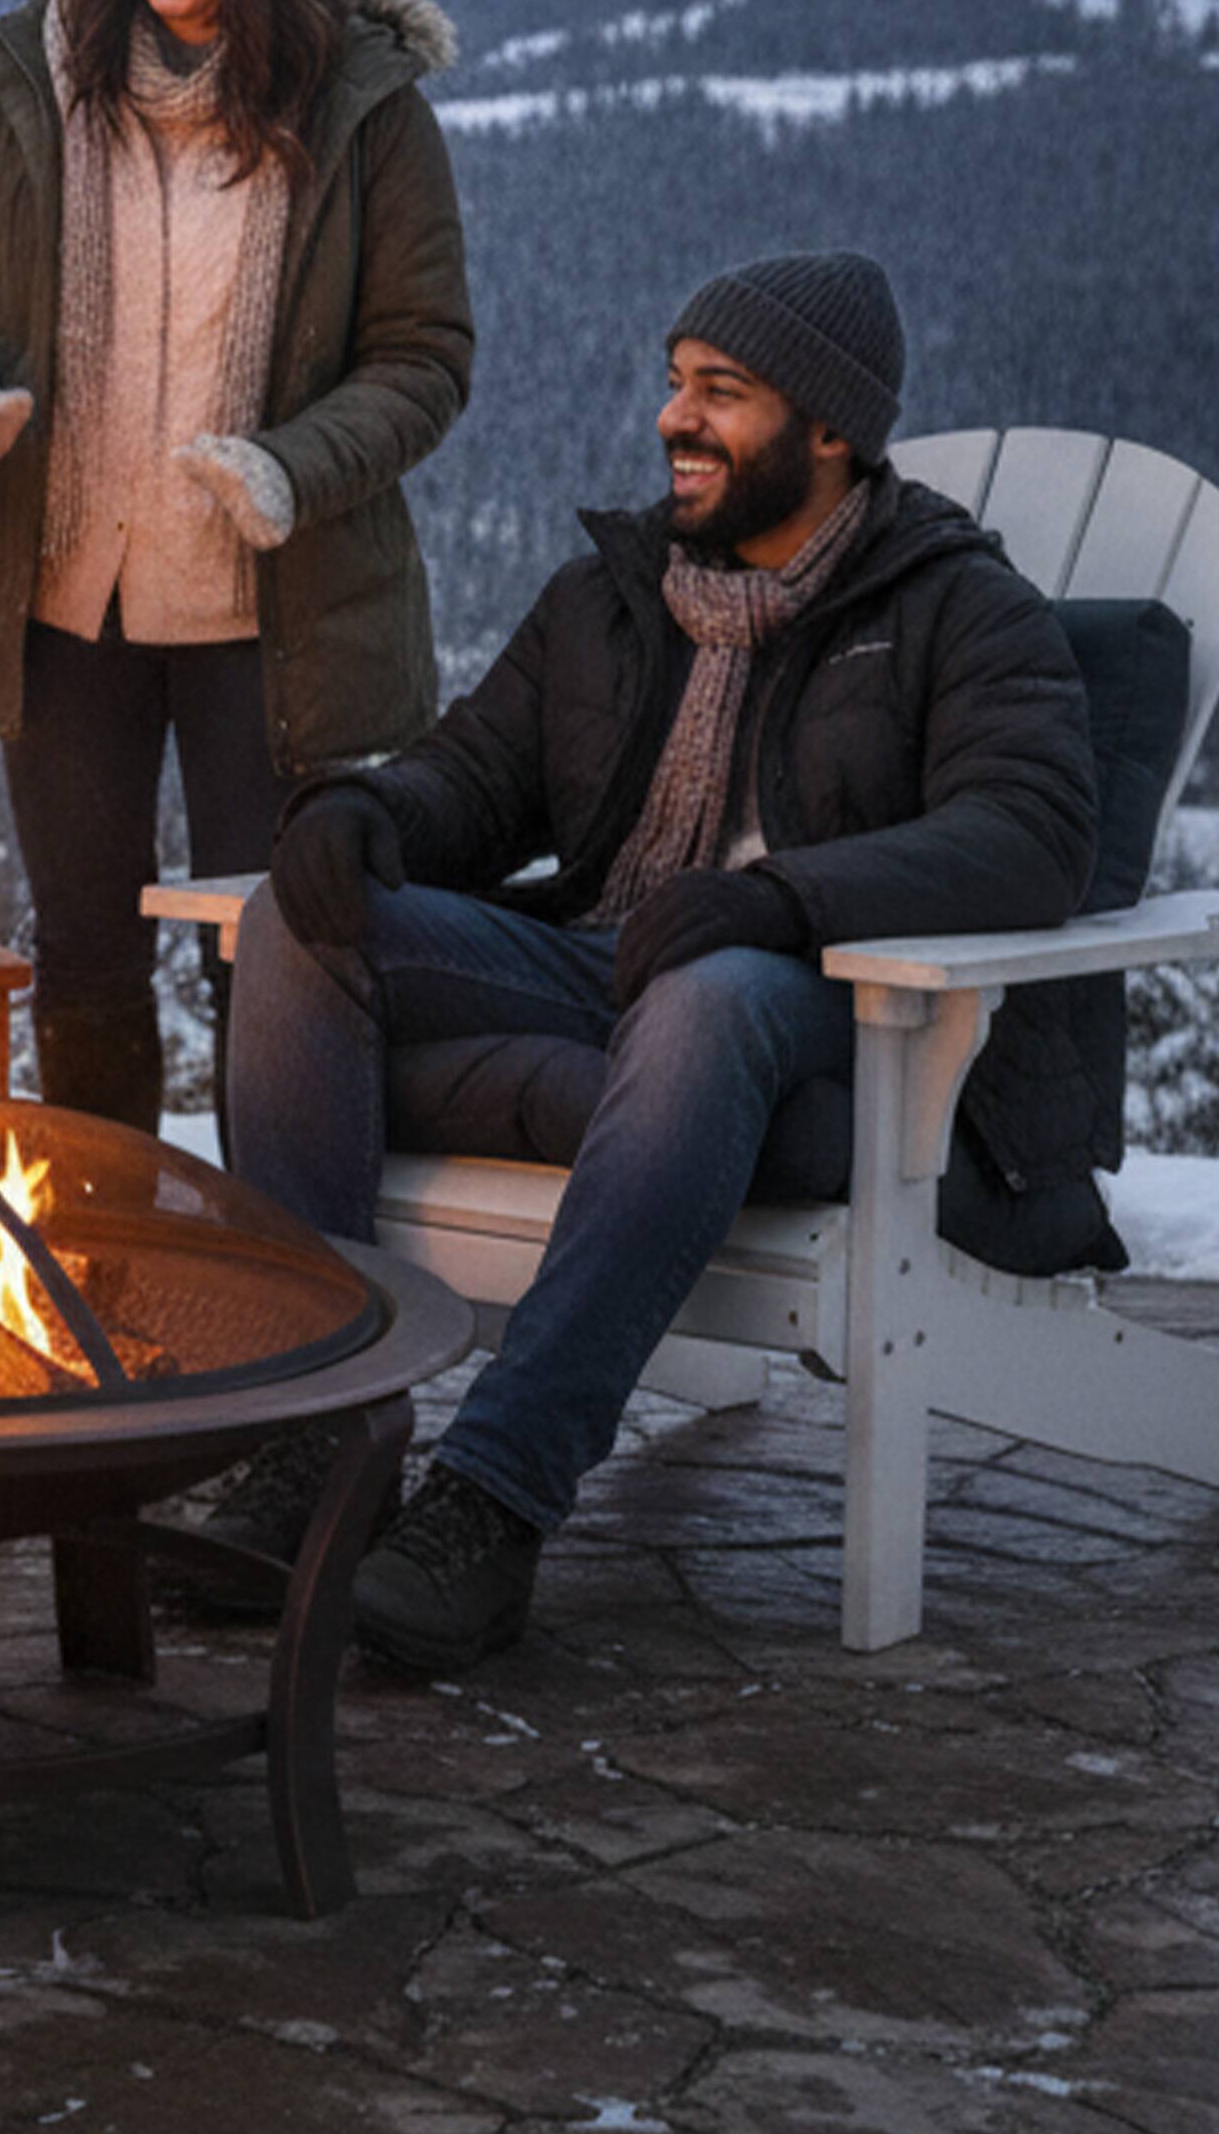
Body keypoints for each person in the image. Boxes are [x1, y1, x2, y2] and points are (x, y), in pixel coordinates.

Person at [224, 252, 1100, 1674]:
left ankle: (492, 1505)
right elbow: (479, 772)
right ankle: (315, 1441)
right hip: (613, 964)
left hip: (832, 1010)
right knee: (296, 918)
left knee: (707, 989)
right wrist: (366, 810)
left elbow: (1035, 833)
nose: (671, 421)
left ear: (829, 430)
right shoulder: (619, 595)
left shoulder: (953, 606)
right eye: (674, 383)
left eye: (721, 393)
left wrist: (783, 901)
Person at [0, 0, 473, 1137]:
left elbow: (425, 358)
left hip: (269, 616)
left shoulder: (362, 109)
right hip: (64, 606)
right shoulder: (37, 81)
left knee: (264, 961)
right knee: (84, 965)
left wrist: (289, 466)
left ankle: (278, 1273)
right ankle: (109, 1248)